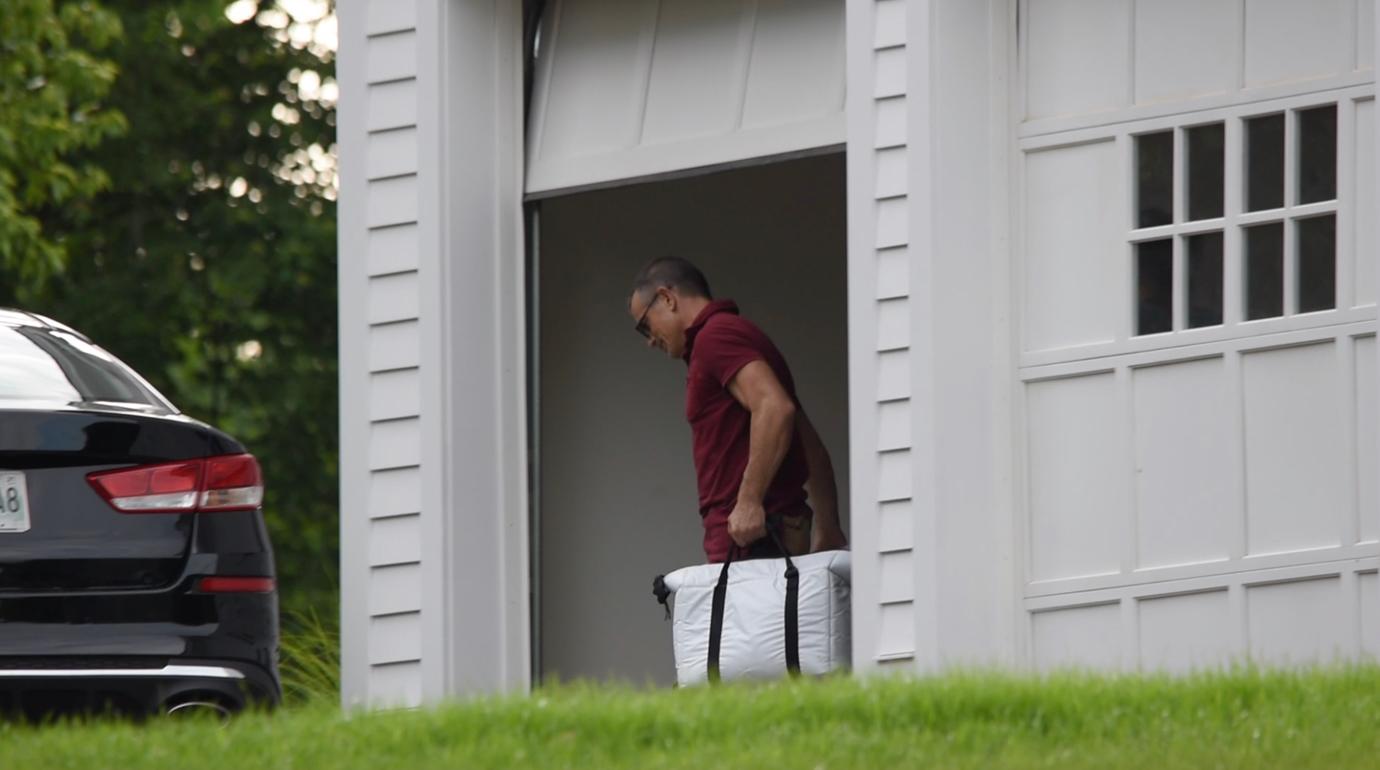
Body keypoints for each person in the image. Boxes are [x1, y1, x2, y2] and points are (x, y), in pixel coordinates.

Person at [627, 256, 848, 563]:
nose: (650, 341)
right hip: (766, 536)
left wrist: (748, 501)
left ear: (667, 298)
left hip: (756, 540)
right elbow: (807, 442)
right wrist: (828, 525)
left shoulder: (715, 338)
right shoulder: (732, 336)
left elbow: (775, 408)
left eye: (644, 326)